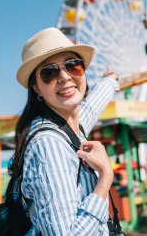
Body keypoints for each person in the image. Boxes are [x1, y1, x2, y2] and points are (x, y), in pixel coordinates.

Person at [10, 27, 119, 235]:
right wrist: (105, 177)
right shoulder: (49, 144)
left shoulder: (68, 126)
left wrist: (110, 81)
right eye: (49, 72)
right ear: (36, 87)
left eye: (73, 66)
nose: (65, 77)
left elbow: (89, 109)